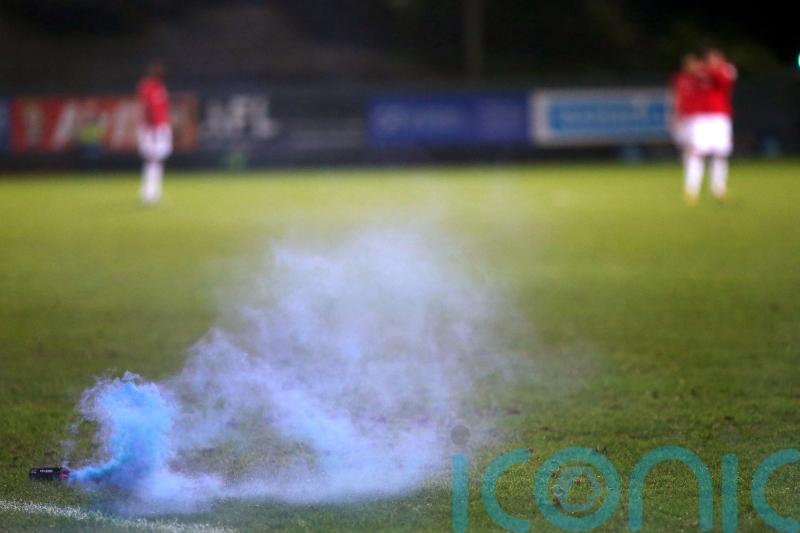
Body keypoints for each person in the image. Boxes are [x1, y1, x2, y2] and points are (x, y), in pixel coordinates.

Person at [683, 49, 737, 204]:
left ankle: (719, 189)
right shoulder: (699, 72)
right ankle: (691, 189)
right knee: (698, 152)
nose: (712, 61)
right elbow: (690, 76)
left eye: (715, 58)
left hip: (720, 117)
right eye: (710, 59)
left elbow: (724, 79)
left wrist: (708, 69)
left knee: (720, 153)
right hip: (701, 118)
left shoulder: (728, 70)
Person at [137, 61, 172, 205]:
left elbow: (162, 109)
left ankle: (153, 190)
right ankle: (149, 193)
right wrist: (151, 129)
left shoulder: (160, 87)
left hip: (161, 127)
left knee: (158, 159)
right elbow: (146, 107)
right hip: (152, 129)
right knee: (152, 159)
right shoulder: (148, 86)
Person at [670, 54, 706, 186]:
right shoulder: (680, 79)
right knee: (686, 147)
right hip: (683, 117)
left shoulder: (701, 79)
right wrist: (674, 113)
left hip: (698, 119)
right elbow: (676, 96)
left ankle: (693, 181)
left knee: (696, 149)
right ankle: (691, 173)